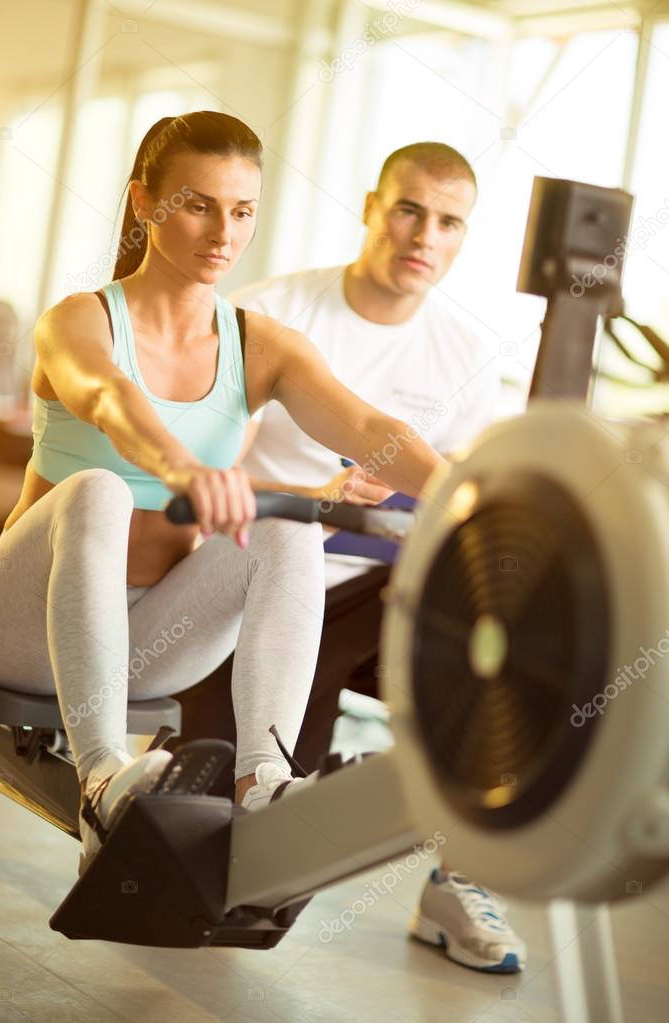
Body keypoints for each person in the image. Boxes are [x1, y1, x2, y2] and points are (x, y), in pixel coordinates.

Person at [0, 113, 442, 872]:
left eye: (242, 211)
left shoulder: (258, 342)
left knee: (293, 521)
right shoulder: (79, 321)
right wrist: (182, 470)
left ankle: (265, 786)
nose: (222, 232)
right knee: (98, 489)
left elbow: (367, 425)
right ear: (144, 202)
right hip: (18, 630)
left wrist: (476, 496)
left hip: (151, 646)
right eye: (198, 205)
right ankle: (101, 778)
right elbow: (106, 398)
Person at [228, 142, 526, 974]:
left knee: (500, 639)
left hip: (379, 597)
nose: (423, 235)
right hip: (262, 578)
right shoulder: (274, 311)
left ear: (464, 236)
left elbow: (456, 505)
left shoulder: (468, 352)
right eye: (407, 209)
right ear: (370, 206)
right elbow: (215, 473)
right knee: (253, 870)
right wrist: (315, 498)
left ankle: (460, 876)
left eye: (448, 221)